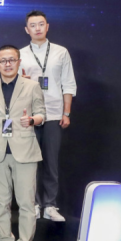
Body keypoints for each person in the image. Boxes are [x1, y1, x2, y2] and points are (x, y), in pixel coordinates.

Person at [0, 45, 46, 241]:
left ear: (18, 62)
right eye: (3, 60)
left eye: (11, 60)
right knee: (1, 202)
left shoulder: (32, 86)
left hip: (25, 150)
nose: (7, 64)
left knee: (26, 202)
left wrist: (32, 120)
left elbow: (42, 114)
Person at [20, 11, 76, 222]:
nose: (37, 28)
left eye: (41, 24)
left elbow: (68, 83)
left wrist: (66, 112)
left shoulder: (61, 52)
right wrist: (22, 81)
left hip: (53, 113)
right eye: (33, 25)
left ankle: (50, 205)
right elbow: (13, 87)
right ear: (27, 30)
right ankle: (34, 204)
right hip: (30, 115)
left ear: (47, 26)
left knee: (51, 162)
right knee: (30, 163)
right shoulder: (20, 54)